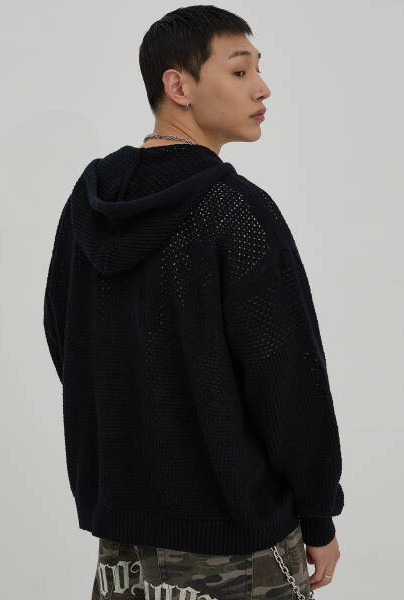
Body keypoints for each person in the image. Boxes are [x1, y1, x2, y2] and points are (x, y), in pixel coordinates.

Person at [43, 5, 344, 599]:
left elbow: (67, 337)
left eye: (258, 69)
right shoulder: (238, 210)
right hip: (237, 538)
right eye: (240, 71)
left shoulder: (90, 201)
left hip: (123, 530)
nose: (262, 88)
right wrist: (317, 514)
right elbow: (288, 382)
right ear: (178, 86)